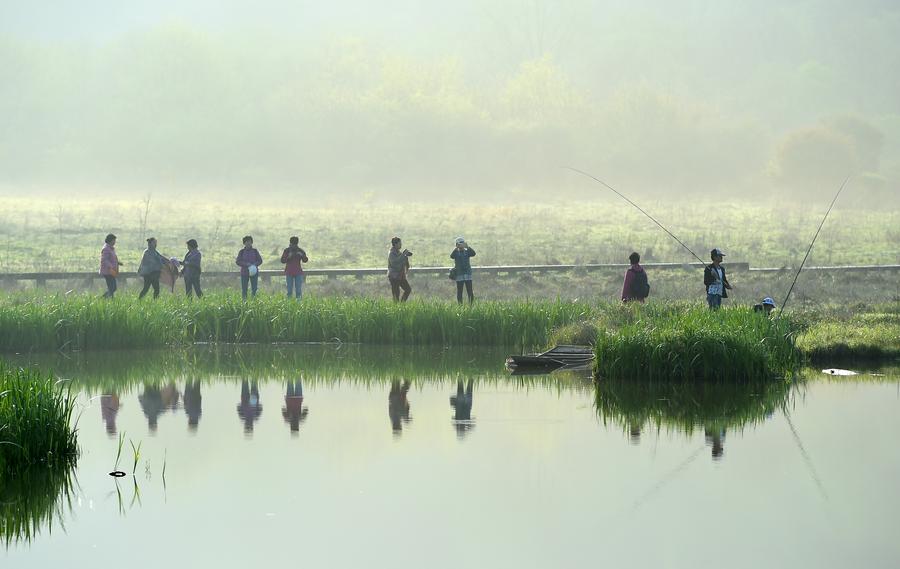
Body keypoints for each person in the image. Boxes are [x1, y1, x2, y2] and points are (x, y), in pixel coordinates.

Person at [236, 235, 263, 300]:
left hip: (254, 273)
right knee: (244, 289)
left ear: (252, 242)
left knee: (254, 289)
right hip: (244, 273)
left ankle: (254, 303)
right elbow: (238, 261)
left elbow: (260, 261)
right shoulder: (241, 252)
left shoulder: (255, 251)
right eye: (246, 242)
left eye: (249, 241)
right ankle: (244, 303)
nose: (248, 243)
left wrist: (254, 264)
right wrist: (246, 264)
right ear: (244, 243)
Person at [450, 237, 476, 304]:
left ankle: (471, 305)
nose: (461, 245)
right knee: (459, 292)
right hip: (459, 274)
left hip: (467, 274)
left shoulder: (467, 252)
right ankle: (460, 306)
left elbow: (473, 254)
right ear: (456, 245)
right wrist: (456, 248)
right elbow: (451, 256)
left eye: (462, 243)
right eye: (459, 243)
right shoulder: (456, 253)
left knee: (470, 291)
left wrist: (468, 247)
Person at [387, 237, 412, 302]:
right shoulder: (391, 253)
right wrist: (404, 255)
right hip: (394, 277)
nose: (401, 245)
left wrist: (406, 256)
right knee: (396, 294)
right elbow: (395, 262)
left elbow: (402, 260)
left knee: (408, 289)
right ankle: (396, 309)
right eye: (399, 243)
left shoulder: (399, 253)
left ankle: (402, 305)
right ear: (395, 244)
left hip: (400, 276)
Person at [99, 233, 121, 298]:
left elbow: (111, 259)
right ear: (110, 240)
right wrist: (111, 266)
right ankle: (102, 298)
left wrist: (118, 263)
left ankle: (110, 300)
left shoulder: (110, 248)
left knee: (112, 288)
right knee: (113, 288)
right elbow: (104, 260)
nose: (115, 242)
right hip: (107, 271)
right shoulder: (106, 249)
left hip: (111, 271)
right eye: (114, 240)